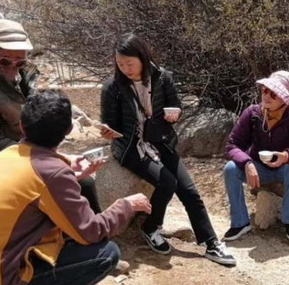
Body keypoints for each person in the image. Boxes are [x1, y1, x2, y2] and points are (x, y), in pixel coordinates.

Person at [0, 90, 151, 285]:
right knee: (107, 254)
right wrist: (126, 205)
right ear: (68, 130)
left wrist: (68, 171)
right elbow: (91, 232)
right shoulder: (52, 174)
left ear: (22, 126)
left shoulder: (4, 155)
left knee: (81, 189)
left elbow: (35, 185)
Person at [100, 33, 236, 266]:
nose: (125, 69)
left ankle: (211, 242)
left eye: (129, 64)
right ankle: (151, 227)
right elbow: (110, 122)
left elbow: (175, 105)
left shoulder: (163, 77)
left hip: (161, 141)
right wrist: (108, 131)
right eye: (120, 64)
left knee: (190, 191)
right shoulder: (112, 87)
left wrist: (175, 114)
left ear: (142, 58)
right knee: (167, 182)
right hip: (131, 146)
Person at [0, 15, 101, 212]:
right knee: (76, 185)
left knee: (80, 183)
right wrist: (48, 158)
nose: (13, 67)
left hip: (22, 160)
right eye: (5, 61)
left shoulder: (15, 74)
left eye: (20, 62)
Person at [223, 70, 289, 241]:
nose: (267, 96)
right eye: (265, 90)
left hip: (284, 170)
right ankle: (240, 222)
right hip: (259, 168)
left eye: (274, 93)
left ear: (285, 98)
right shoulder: (252, 113)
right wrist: (247, 163)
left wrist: (286, 156)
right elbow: (232, 145)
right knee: (230, 169)